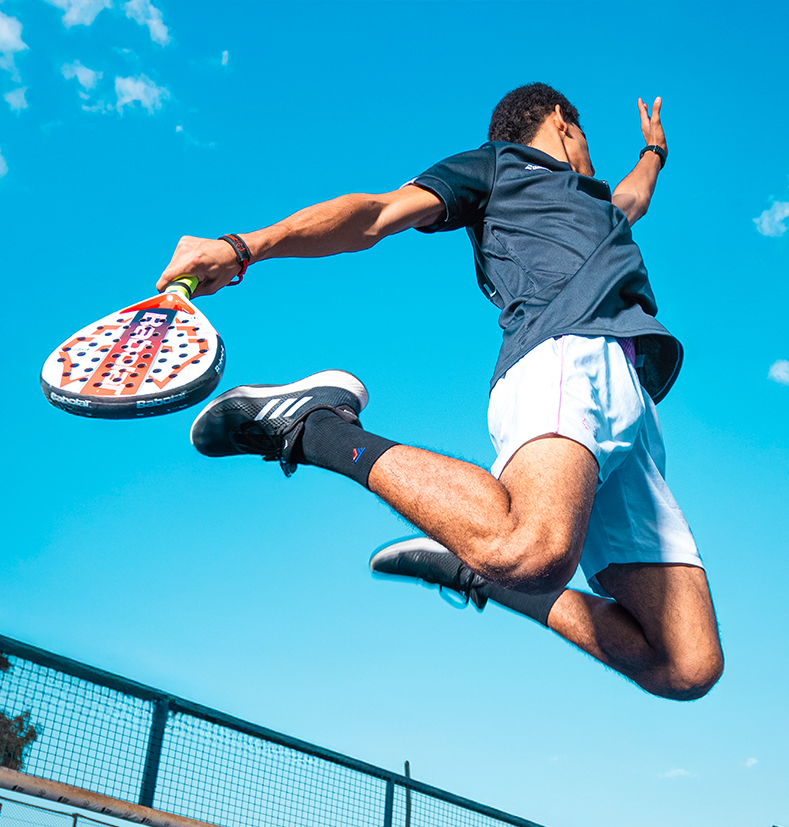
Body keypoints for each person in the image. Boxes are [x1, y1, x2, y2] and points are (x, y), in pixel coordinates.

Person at [158, 84, 723, 701]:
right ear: (564, 120)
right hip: (565, 354)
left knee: (685, 663)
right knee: (531, 547)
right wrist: (244, 248)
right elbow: (376, 214)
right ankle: (316, 425)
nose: (592, 151)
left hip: (633, 402)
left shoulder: (600, 209)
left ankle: (476, 568)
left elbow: (634, 196)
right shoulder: (498, 167)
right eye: (586, 134)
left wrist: (654, 152)